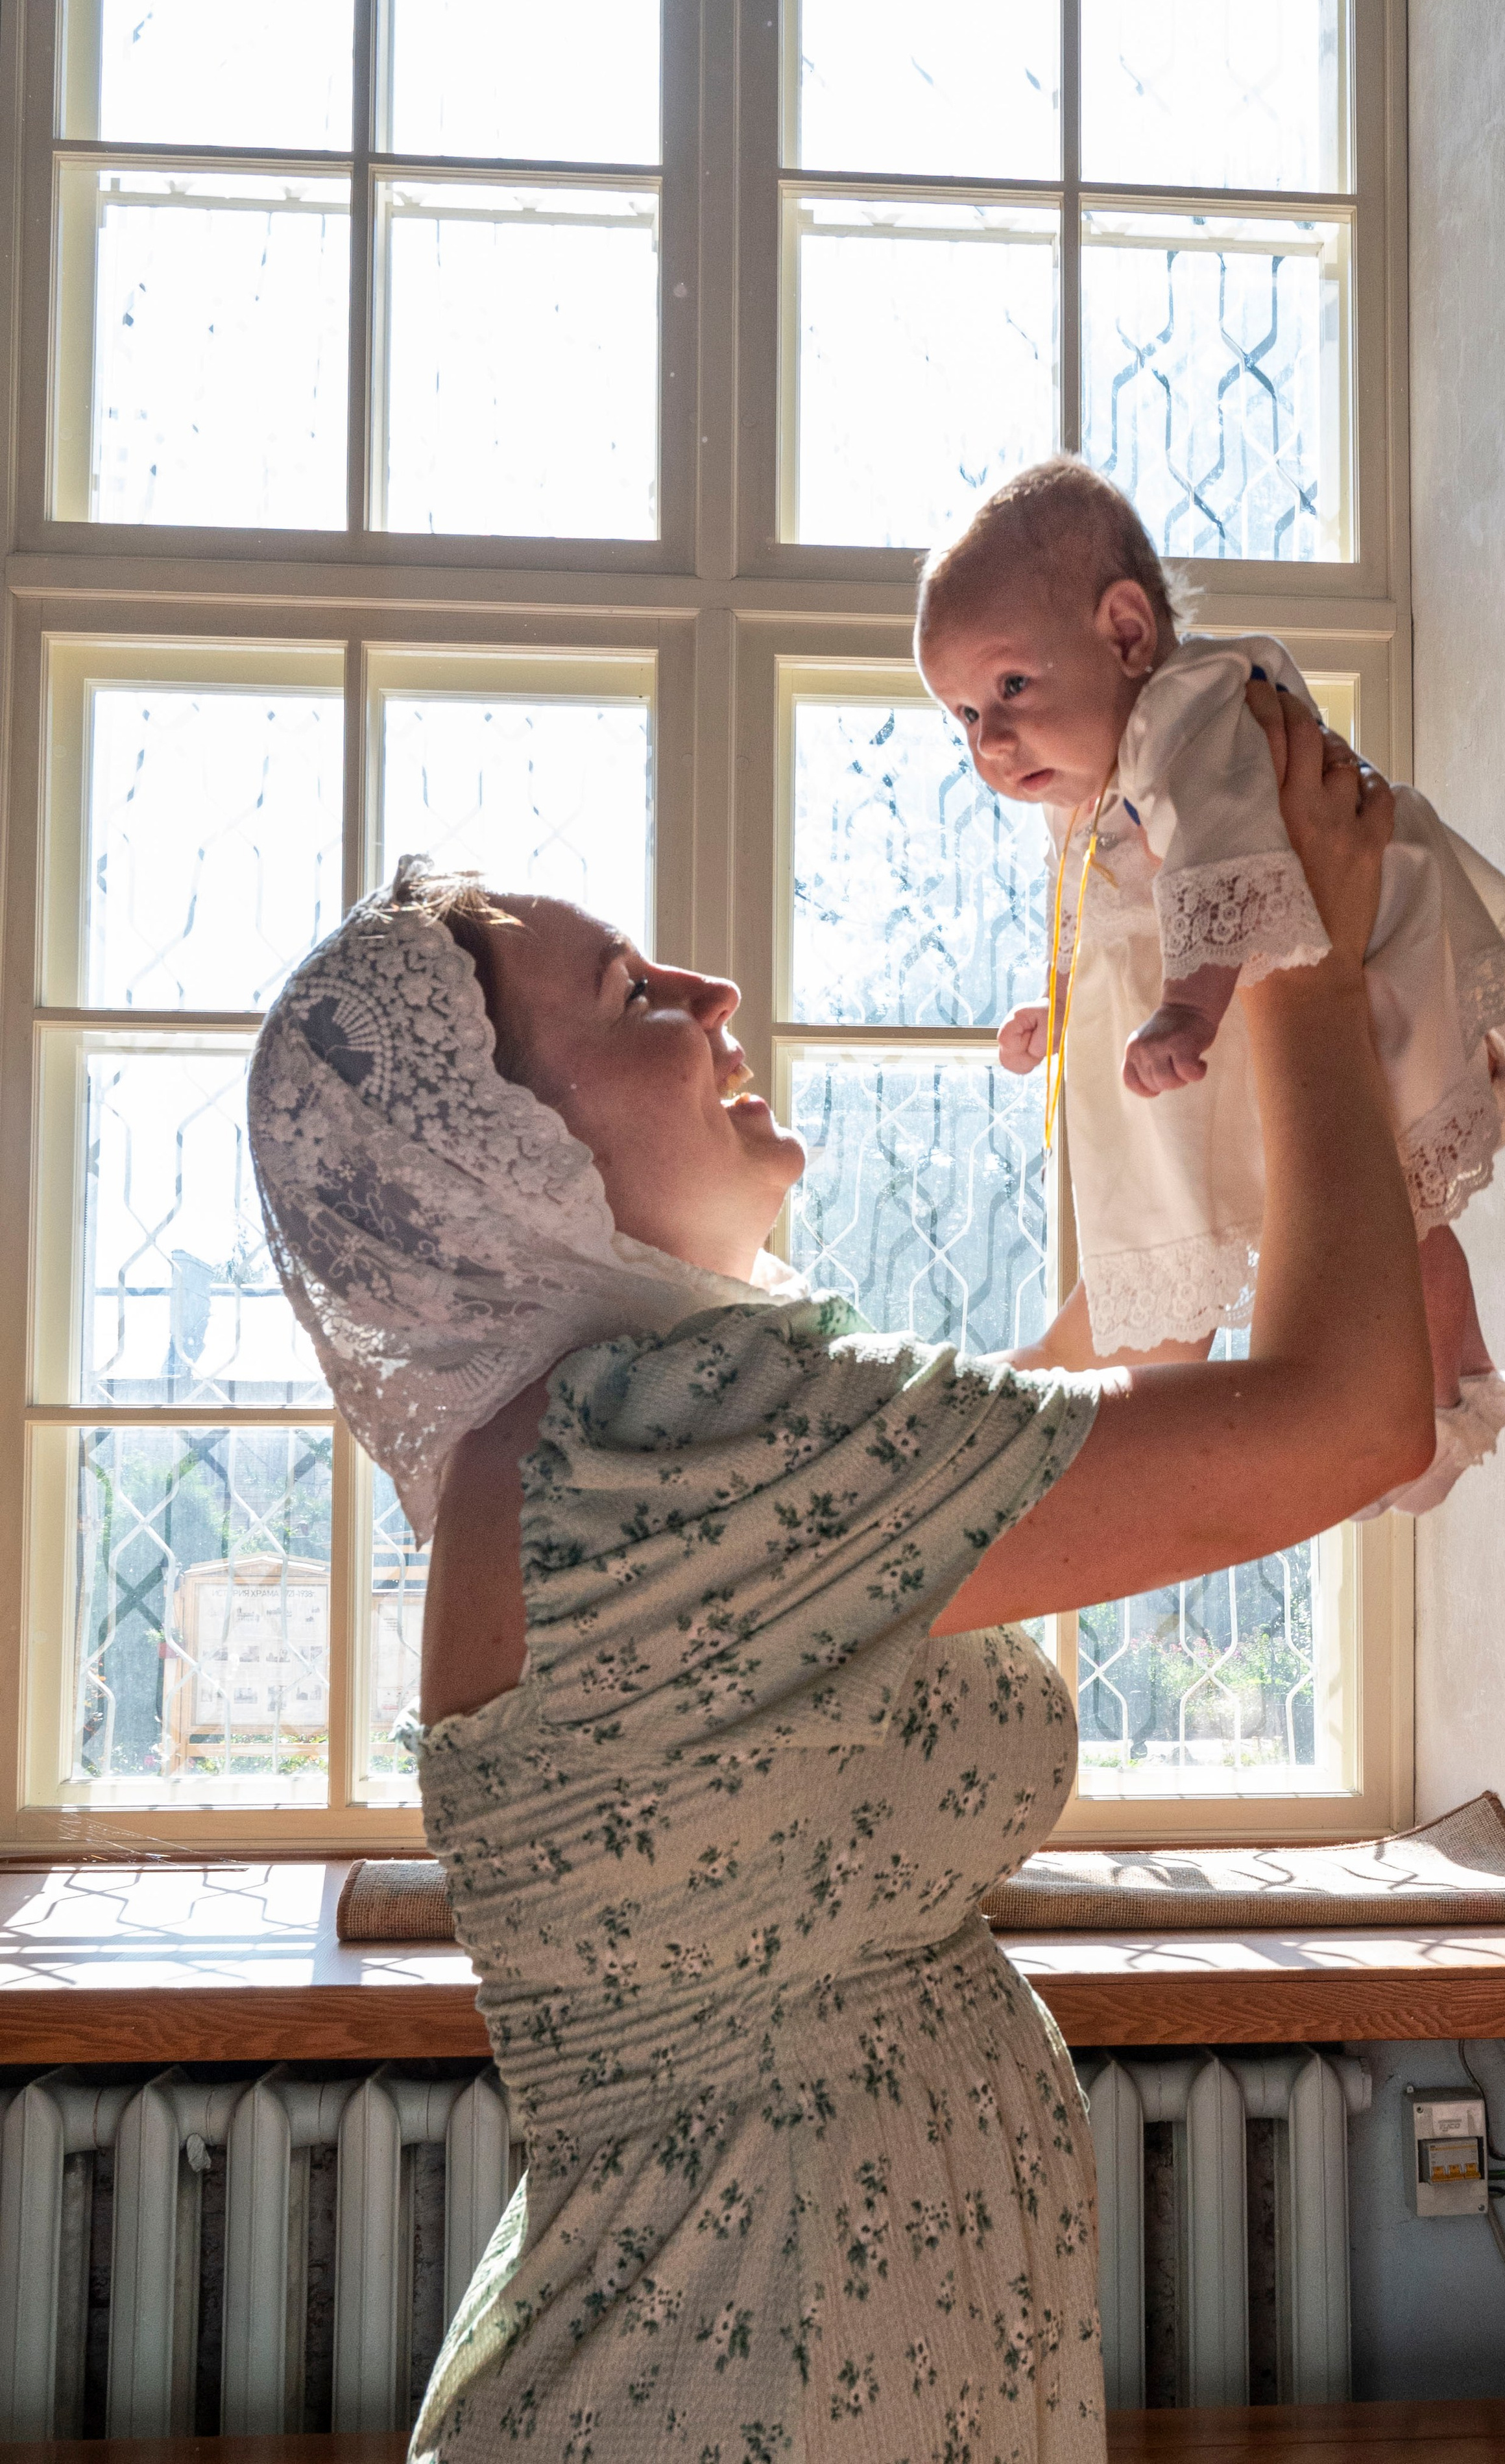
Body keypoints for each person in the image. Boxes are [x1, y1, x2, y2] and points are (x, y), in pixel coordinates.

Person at [248, 688, 1431, 2462]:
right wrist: (1301, 958)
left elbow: (1136, 1361)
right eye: (633, 996)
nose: (714, 996)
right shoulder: (652, 1445)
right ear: (501, 1163)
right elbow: (1347, 1420)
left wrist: (1147, 996)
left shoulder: (618, 1454)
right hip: (727, 2395)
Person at [916, 458, 1505, 1516]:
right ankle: (1424, 1366)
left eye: (1010, 688)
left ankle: (1433, 1360)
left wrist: (1189, 1004)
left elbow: (1233, 858)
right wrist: (1063, 1012)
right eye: (960, 715)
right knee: (1333, 1203)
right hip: (1257, 999)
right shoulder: (1093, 779)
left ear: (1128, 634)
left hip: (1345, 965)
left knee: (1373, 1192)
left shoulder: (1190, 713)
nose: (990, 743)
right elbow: (1103, 918)